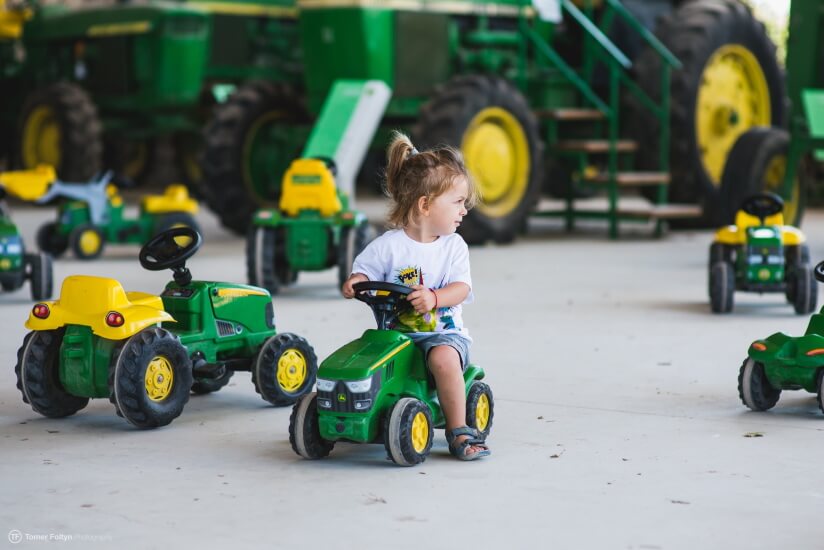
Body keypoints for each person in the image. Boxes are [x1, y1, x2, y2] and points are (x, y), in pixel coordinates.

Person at [342, 132, 490, 461]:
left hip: (442, 335)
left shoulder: (453, 247)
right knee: (364, 358)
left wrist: (436, 298)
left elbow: (461, 289)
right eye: (457, 202)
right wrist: (356, 281)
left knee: (441, 359)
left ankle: (459, 430)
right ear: (425, 205)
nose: (464, 210)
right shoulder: (388, 246)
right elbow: (364, 271)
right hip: (396, 336)